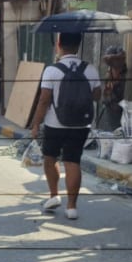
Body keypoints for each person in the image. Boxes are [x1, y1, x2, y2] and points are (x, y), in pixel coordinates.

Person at [29, 31, 102, 220]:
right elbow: (96, 96)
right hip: (81, 124)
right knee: (73, 161)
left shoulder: (52, 70)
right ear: (78, 45)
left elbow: (44, 100)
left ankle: (54, 196)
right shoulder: (90, 69)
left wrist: (36, 123)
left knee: (50, 158)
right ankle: (72, 207)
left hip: (55, 123)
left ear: (59, 44)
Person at [95, 45, 127, 131]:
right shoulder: (111, 70)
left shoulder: (121, 68)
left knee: (116, 129)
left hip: (116, 105)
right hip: (109, 104)